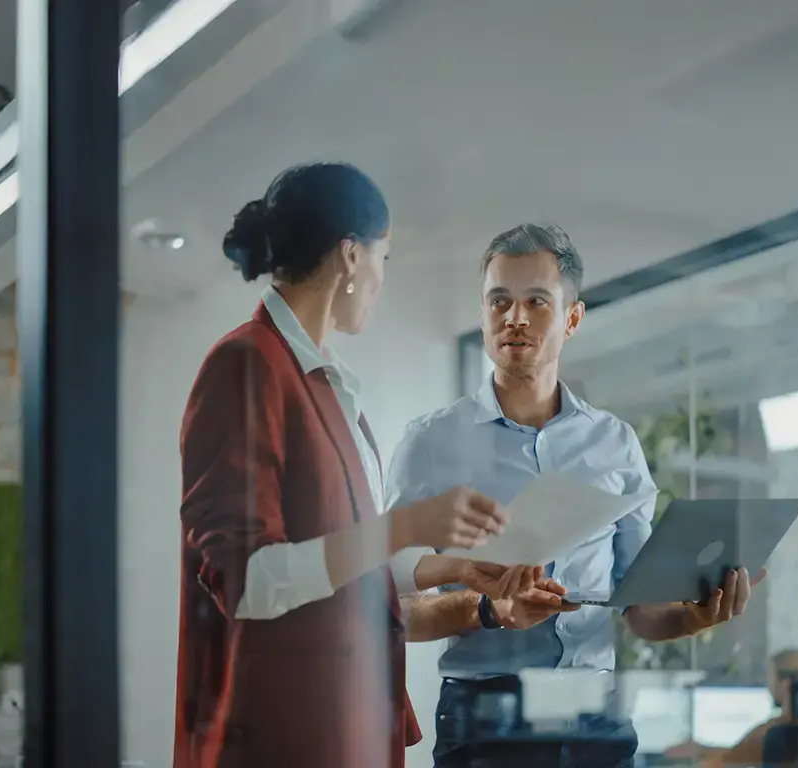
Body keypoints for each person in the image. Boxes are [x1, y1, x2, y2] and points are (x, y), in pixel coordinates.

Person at [173, 163, 541, 768]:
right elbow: (249, 582)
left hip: (346, 727)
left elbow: (344, 569)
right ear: (350, 255)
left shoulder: (326, 384)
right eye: (383, 259)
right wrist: (406, 525)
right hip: (279, 736)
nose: (380, 278)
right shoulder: (245, 365)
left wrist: (457, 567)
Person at [386, 223, 763, 768]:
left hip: (597, 716)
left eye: (537, 302)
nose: (514, 318)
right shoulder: (431, 442)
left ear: (572, 319)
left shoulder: (614, 444)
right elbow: (390, 605)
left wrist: (693, 618)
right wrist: (487, 607)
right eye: (499, 302)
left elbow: (640, 608)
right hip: (486, 717)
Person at [664, 648, 798, 767]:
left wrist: (700, 751)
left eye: (771, 680)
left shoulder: (776, 731)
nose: (769, 687)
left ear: (786, 683)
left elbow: (735, 758)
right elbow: (744, 753)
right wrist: (702, 749)